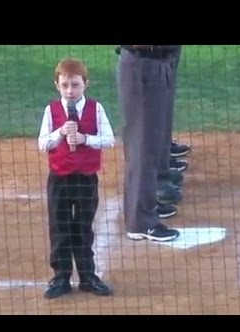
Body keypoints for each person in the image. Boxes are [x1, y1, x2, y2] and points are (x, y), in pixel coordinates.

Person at [38, 58, 115, 299]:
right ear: (57, 85)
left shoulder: (96, 108)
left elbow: (110, 139)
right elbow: (42, 144)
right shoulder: (51, 111)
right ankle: (61, 277)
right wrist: (60, 133)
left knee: (83, 228)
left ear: (85, 84)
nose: (70, 91)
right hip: (59, 179)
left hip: (85, 179)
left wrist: (86, 139)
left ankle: (87, 276)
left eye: (75, 85)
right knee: (59, 228)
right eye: (65, 85)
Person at [117, 45, 182, 242]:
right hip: (143, 66)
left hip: (155, 63)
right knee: (143, 147)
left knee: (151, 145)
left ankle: (146, 204)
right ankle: (141, 222)